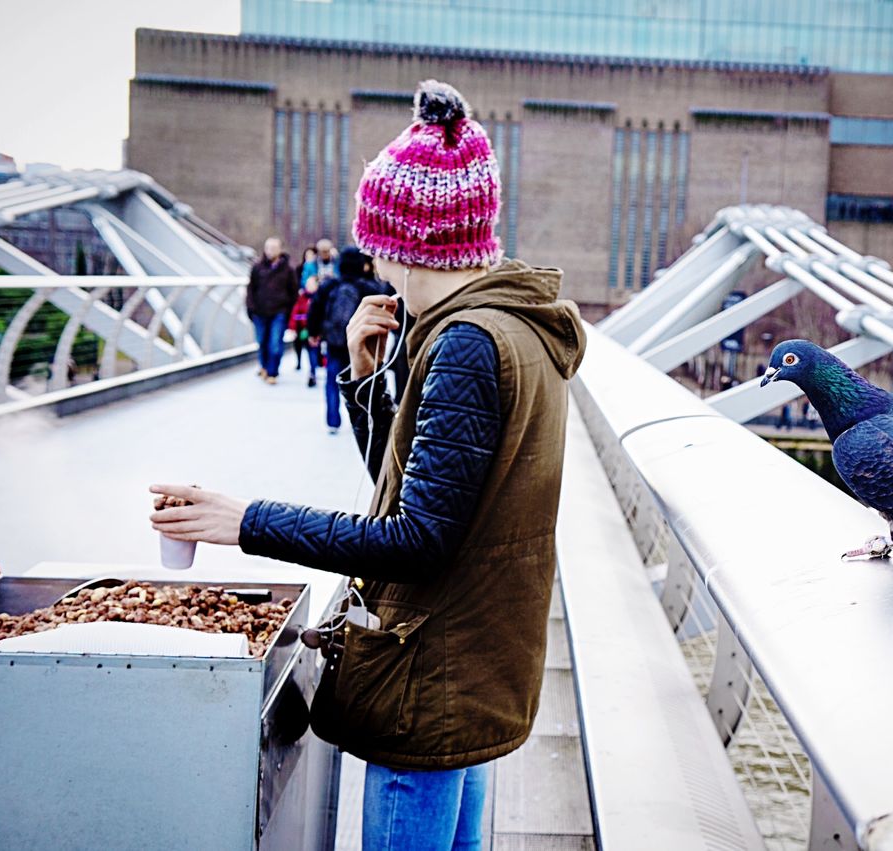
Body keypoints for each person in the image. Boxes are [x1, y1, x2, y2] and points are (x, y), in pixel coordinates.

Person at [150, 79, 585, 851]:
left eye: (378, 240)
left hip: (430, 671)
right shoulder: (512, 326)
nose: (375, 260)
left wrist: (242, 521)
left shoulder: (463, 345)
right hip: (474, 661)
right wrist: (362, 378)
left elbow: (415, 537)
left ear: (403, 239)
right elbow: (426, 486)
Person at [309, 247, 386, 433]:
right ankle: (359, 420)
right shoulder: (369, 288)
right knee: (361, 380)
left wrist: (314, 332)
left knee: (332, 380)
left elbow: (315, 309)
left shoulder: (330, 286)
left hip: (334, 342)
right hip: (361, 343)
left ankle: (333, 421)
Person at [246, 237, 296, 384]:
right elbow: (251, 289)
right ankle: (264, 366)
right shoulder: (257, 267)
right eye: (268, 248)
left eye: (274, 248)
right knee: (262, 342)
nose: (270, 251)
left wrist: (288, 311)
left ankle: (273, 372)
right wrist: (251, 308)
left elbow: (293, 292)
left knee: (275, 344)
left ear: (280, 250)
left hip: (279, 312)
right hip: (259, 312)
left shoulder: (288, 269)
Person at [289, 275, 320, 386]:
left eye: (311, 284)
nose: (308, 286)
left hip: (316, 331)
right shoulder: (302, 297)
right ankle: (306, 367)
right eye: (308, 284)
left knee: (314, 350)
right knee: (304, 347)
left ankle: (313, 371)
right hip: (303, 329)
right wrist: (293, 327)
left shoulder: (320, 297)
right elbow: (295, 312)